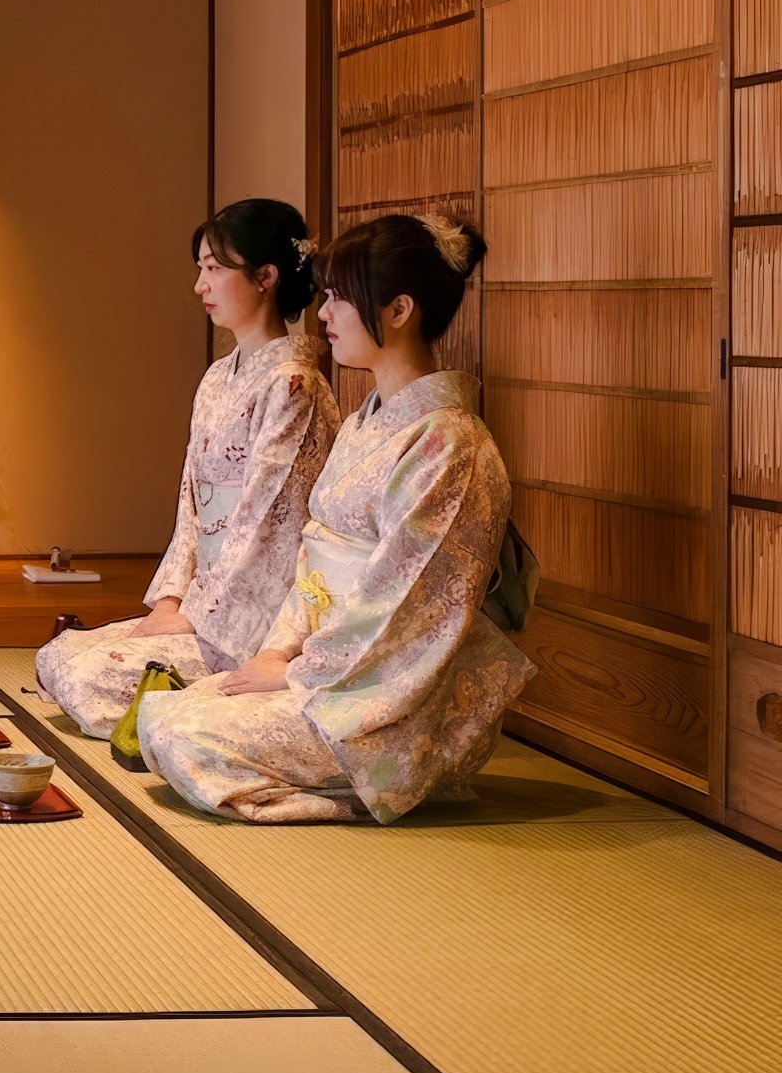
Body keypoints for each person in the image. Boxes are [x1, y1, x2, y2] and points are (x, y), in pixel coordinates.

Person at [135, 214, 535, 824]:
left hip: (375, 700)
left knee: (182, 733)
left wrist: (300, 670)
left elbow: (401, 604)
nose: (322, 314)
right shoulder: (364, 423)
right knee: (160, 717)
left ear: (399, 310)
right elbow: (311, 554)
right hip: (317, 661)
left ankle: (378, 784)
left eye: (340, 298)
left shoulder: (450, 444)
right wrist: (276, 653)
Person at [35, 199, 340, 738]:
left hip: (252, 614)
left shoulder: (294, 386)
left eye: (215, 269)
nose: (200, 284)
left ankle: (202, 701)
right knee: (56, 658)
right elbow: (192, 505)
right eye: (200, 268)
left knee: (80, 674)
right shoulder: (218, 377)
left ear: (266, 276)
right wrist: (173, 599)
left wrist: (199, 614)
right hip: (204, 598)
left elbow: (268, 525)